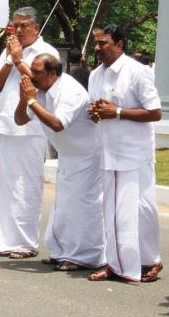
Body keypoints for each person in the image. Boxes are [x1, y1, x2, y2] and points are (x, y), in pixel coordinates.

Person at [0, 7, 59, 259]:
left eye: (24, 25)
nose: (18, 30)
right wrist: (9, 60)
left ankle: (25, 244)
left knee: (25, 188)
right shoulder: (10, 50)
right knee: (0, 188)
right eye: (15, 25)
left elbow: (43, 84)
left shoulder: (47, 53)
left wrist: (19, 60)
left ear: (36, 27)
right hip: (4, 125)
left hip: (30, 128)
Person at [86, 24, 163, 283]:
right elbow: (97, 110)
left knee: (142, 210)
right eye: (96, 43)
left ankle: (137, 263)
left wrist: (116, 112)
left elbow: (155, 112)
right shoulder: (95, 75)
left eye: (103, 43)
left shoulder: (137, 72)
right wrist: (96, 113)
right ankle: (125, 262)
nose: (97, 48)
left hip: (133, 152)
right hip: (109, 151)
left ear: (119, 44)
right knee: (115, 211)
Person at [14, 54, 105, 270]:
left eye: (37, 72)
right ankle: (63, 252)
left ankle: (84, 256)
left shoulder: (69, 91)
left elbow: (58, 124)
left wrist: (32, 100)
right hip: (68, 155)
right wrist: (23, 99)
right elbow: (20, 119)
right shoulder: (41, 91)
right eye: (31, 71)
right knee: (64, 206)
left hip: (88, 156)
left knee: (83, 207)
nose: (31, 76)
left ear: (53, 73)